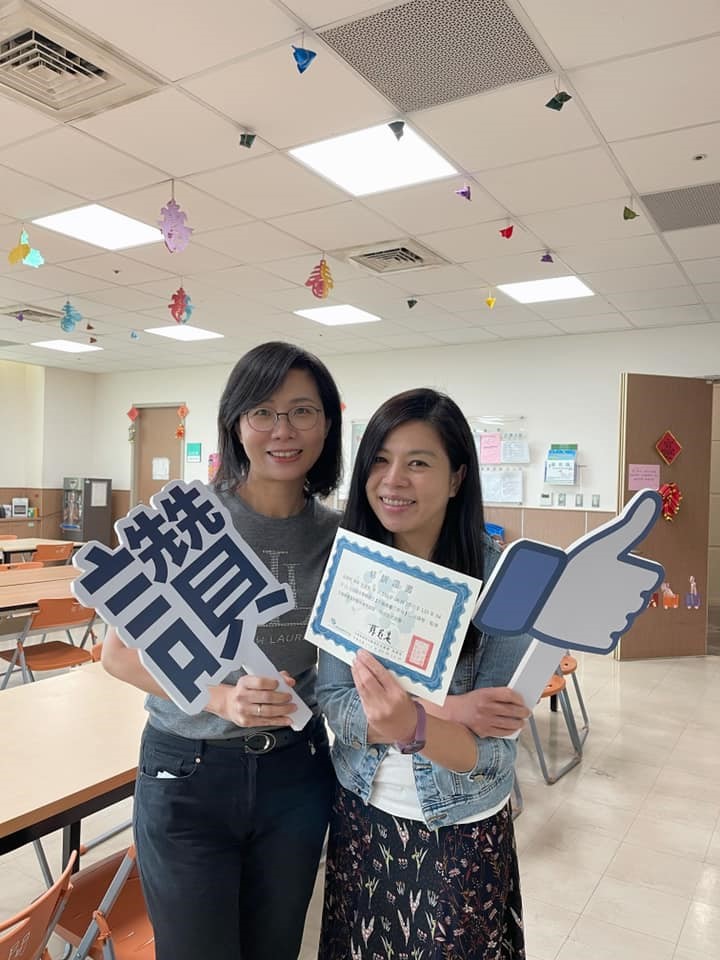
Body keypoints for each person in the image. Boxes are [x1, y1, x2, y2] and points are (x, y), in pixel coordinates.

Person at [102, 341, 343, 960]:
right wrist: (219, 698)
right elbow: (117, 654)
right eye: (263, 412)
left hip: (295, 773)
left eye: (302, 411)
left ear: (327, 424)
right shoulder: (186, 523)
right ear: (236, 424)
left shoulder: (342, 537)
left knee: (275, 948)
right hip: (188, 772)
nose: (282, 430)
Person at [316, 388, 531, 960]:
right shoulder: (353, 571)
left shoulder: (502, 586)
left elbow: (493, 756)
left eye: (418, 462)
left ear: (457, 478)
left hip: (458, 825)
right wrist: (446, 711)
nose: (393, 480)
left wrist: (411, 725)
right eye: (380, 461)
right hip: (361, 811)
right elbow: (333, 698)